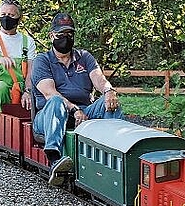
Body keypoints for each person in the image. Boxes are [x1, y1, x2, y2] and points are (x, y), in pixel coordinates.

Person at [31, 13, 123, 186]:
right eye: (61, 34)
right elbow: (50, 93)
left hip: (84, 111)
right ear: (52, 35)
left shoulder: (85, 57)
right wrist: (74, 109)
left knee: (110, 104)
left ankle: (117, 155)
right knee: (56, 102)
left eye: (69, 34)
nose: (65, 38)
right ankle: (55, 159)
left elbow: (99, 79)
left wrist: (109, 91)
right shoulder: (42, 61)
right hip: (49, 116)